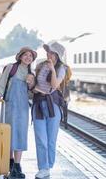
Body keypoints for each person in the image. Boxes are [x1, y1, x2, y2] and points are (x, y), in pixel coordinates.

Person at [0, 47, 37, 179]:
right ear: (20, 56)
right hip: (11, 106)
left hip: (23, 108)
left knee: (20, 135)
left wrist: (31, 85)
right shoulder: (11, 68)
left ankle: (17, 165)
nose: (28, 57)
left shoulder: (31, 73)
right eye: (26, 55)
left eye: (31, 56)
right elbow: (2, 82)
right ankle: (10, 163)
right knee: (9, 134)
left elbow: (31, 95)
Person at [32, 41, 66, 179]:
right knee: (40, 138)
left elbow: (54, 85)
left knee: (51, 139)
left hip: (53, 106)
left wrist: (52, 69)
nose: (48, 54)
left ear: (57, 55)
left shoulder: (61, 68)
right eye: (47, 51)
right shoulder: (40, 65)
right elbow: (35, 82)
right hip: (39, 104)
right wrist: (31, 84)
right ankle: (43, 167)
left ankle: (48, 166)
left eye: (51, 52)